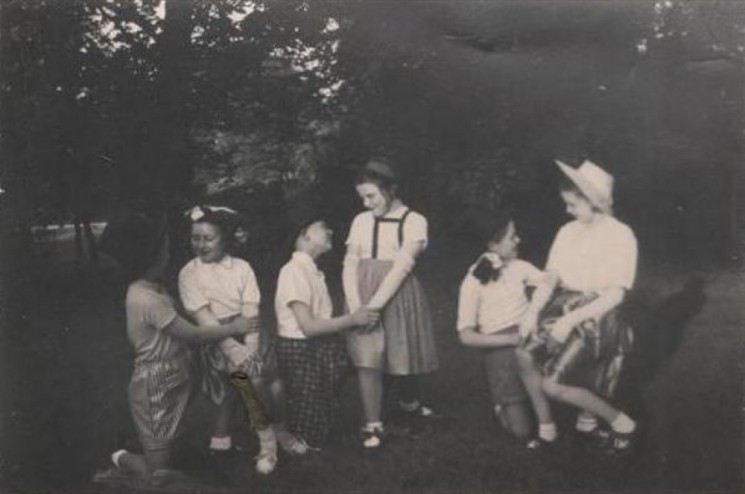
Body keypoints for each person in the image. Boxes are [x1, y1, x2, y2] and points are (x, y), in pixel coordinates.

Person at [95, 211, 251, 484]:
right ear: (148, 257)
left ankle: (180, 447)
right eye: (164, 248)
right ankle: (120, 456)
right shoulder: (145, 299)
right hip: (155, 386)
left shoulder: (154, 288)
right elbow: (194, 335)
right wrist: (234, 328)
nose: (169, 252)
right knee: (158, 472)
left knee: (173, 432)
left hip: (175, 376)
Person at [516, 160, 638, 454]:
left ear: (594, 201)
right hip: (563, 305)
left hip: (597, 315)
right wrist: (532, 312)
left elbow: (615, 295)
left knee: (553, 384)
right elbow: (551, 277)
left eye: (572, 204)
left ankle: (623, 423)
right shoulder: (567, 231)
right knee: (522, 354)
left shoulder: (621, 235)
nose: (568, 210)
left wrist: (570, 322)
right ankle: (547, 429)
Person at [178, 205, 306, 475]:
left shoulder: (242, 268)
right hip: (218, 339)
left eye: (208, 238)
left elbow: (251, 310)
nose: (200, 244)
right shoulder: (188, 273)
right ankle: (267, 442)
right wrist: (235, 351)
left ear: (226, 238)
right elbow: (204, 318)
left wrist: (251, 346)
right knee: (251, 384)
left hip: (251, 332)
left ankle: (282, 430)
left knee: (273, 381)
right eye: (195, 238)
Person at [342, 160, 439, 449]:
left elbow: (402, 267)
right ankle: (373, 423)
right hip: (362, 293)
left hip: (397, 293)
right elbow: (350, 263)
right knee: (367, 357)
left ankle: (409, 401)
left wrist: (376, 306)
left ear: (391, 188)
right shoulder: (360, 221)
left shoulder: (414, 220)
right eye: (362, 197)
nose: (366, 202)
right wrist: (357, 306)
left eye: (371, 195)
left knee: (403, 349)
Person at [275, 217, 379, 449]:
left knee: (332, 389)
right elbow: (308, 327)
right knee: (312, 433)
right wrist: (352, 319)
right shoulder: (293, 271)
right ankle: (290, 436)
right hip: (300, 347)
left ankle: (365, 420)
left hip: (321, 344)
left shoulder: (310, 270)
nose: (330, 230)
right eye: (323, 227)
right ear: (305, 235)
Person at [456, 214, 557, 439]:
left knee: (550, 388)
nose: (518, 240)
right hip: (500, 347)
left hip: (527, 335)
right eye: (512, 237)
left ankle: (540, 401)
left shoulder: (520, 267)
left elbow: (548, 281)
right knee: (521, 432)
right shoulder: (472, 282)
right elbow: (466, 336)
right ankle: (502, 404)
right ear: (493, 244)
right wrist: (510, 340)